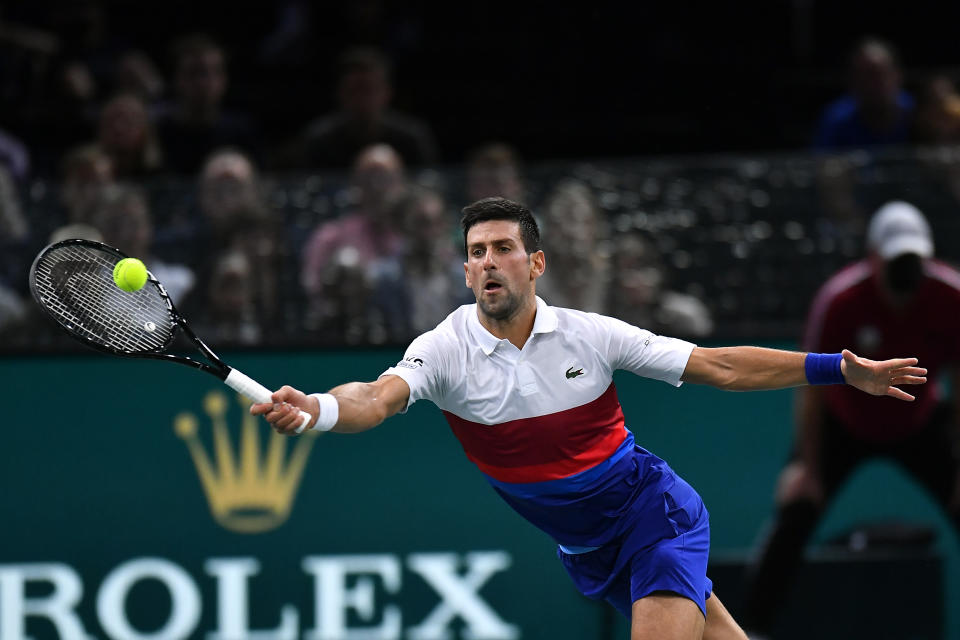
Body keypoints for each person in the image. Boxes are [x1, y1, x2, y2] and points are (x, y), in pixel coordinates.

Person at [253, 197, 926, 640]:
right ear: (465, 272)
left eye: (502, 248)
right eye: (477, 252)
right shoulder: (444, 350)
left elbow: (718, 366)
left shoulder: (590, 335)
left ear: (536, 263)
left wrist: (838, 368)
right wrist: (318, 409)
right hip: (590, 551)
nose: (488, 261)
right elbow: (377, 396)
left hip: (655, 517)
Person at [740, 201, 960, 637]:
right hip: (844, 425)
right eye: (895, 260)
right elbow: (810, 384)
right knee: (797, 506)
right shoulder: (839, 299)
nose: (906, 271)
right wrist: (807, 464)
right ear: (873, 256)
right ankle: (751, 631)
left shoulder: (952, 295)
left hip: (920, 422)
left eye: (913, 260)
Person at [277, 47, 438, 170]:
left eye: (368, 89)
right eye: (353, 90)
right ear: (339, 93)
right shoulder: (318, 141)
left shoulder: (411, 139)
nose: (361, 99)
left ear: (387, 93)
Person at [156, 34, 259, 174]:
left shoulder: (242, 131)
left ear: (224, 79)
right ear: (176, 79)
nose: (204, 83)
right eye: (194, 73)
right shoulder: (159, 134)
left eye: (214, 72)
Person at [813, 38, 914, 151]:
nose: (872, 84)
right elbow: (822, 162)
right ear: (851, 80)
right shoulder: (836, 119)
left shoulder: (917, 113)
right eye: (864, 76)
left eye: (879, 75)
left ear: (898, 75)